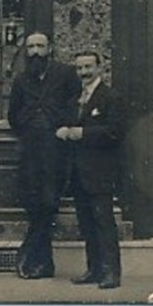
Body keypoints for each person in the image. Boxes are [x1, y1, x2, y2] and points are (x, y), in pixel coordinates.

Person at [6, 30, 80, 280]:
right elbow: (12, 116)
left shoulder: (65, 74)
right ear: (26, 51)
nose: (36, 51)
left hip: (58, 150)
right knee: (35, 204)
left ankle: (27, 254)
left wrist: (62, 125)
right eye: (31, 47)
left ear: (50, 48)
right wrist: (29, 125)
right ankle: (44, 265)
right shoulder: (20, 79)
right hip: (31, 151)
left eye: (40, 46)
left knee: (49, 202)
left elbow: (75, 105)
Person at [57, 51, 125, 289]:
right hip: (78, 172)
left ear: (100, 68)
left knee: (104, 223)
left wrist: (81, 133)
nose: (84, 73)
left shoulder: (110, 97)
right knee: (87, 223)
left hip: (100, 172)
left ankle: (111, 274)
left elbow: (115, 132)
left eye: (88, 67)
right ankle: (94, 270)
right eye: (79, 69)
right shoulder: (76, 97)